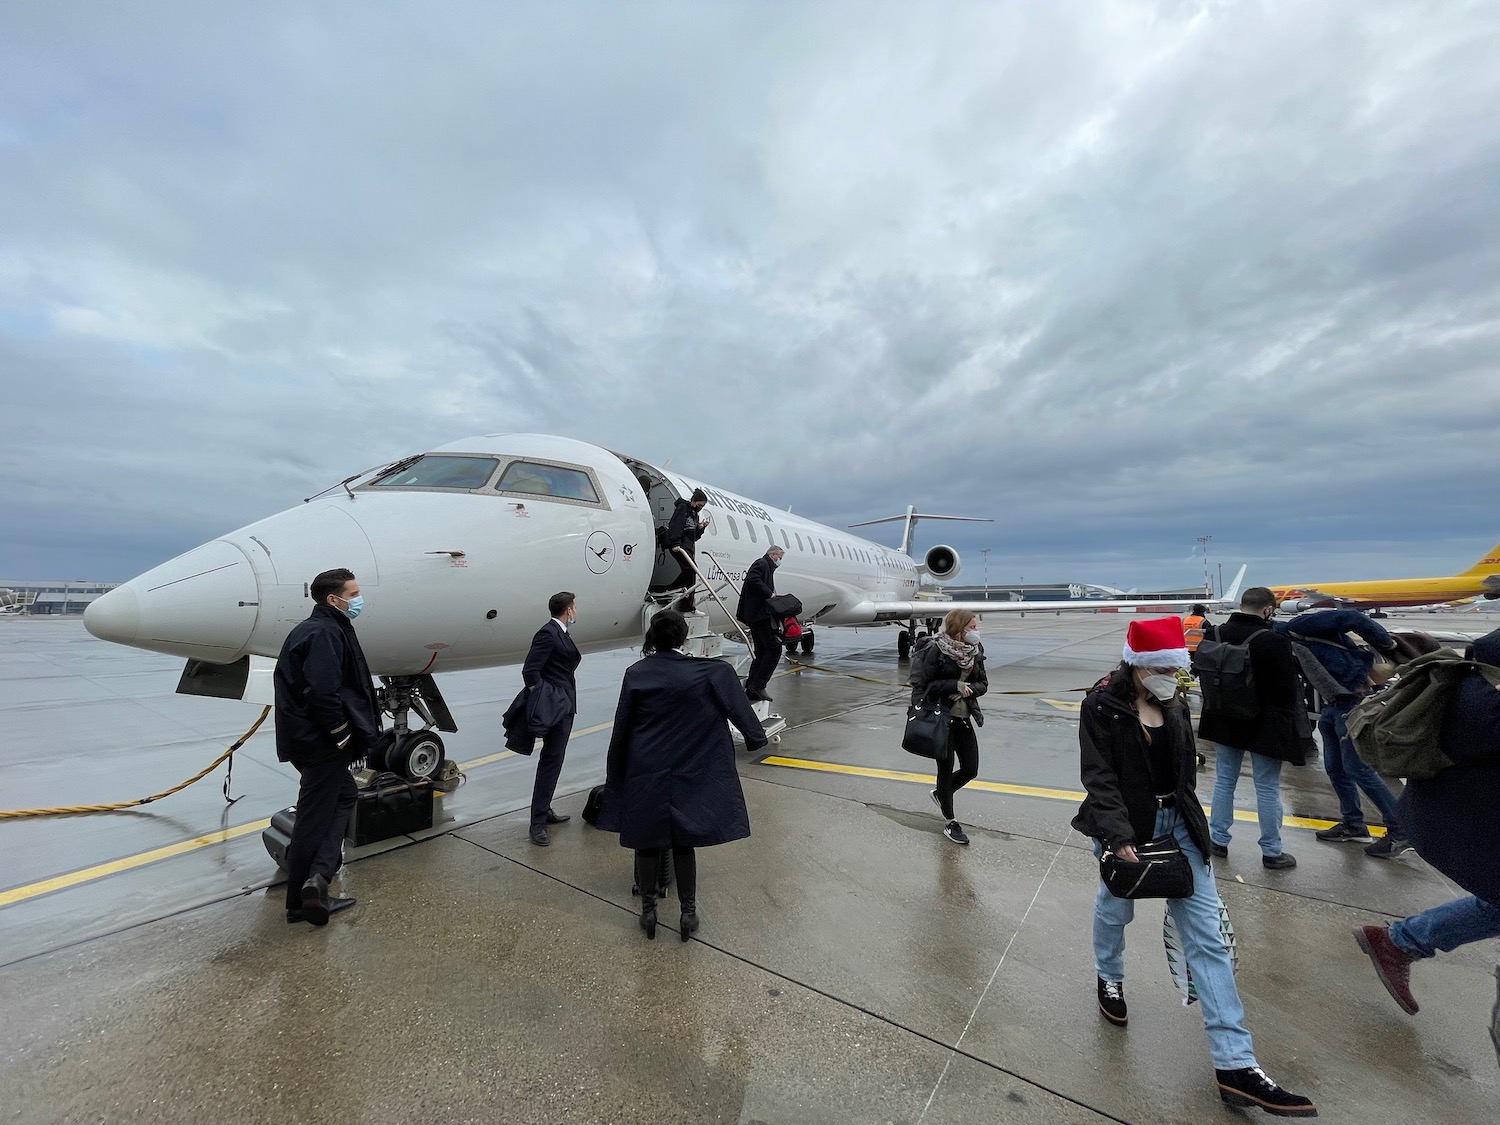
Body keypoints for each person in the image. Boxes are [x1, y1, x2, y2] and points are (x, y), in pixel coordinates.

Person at [1073, 616, 1316, 1117]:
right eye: (1160, 667)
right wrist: (1117, 836)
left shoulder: (1175, 702)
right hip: (1128, 826)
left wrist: (1198, 833)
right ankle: (1109, 974)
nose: (1171, 676)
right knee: (1115, 909)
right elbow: (1099, 775)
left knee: (1208, 939)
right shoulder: (1101, 705)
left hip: (1180, 827)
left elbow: (1184, 775)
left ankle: (1236, 1066)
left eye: (1174, 668)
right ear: (1137, 666)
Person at [1354, 627, 1500, 1016]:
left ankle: (1401, 941)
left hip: (1448, 815)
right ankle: (1401, 941)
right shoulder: (1487, 703)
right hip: (1464, 821)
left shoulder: (1475, 678)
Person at [597, 610, 768, 940]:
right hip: (688, 771)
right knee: (683, 842)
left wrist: (616, 770)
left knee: (647, 842)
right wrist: (755, 737)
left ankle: (648, 912)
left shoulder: (636, 673)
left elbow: (623, 727)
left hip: (646, 770)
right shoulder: (709, 672)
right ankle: (687, 913)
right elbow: (739, 708)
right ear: (683, 637)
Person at [273, 567, 381, 926]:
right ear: (332, 600)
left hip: (311, 741)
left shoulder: (321, 628)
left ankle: (317, 879)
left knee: (344, 798)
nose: (358, 600)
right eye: (353, 595)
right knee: (313, 818)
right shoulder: (324, 633)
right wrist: (342, 736)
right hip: (321, 743)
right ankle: (302, 900)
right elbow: (322, 692)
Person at [1277, 609, 1408, 858]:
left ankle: (1401, 829)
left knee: (1357, 768)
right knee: (1336, 767)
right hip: (1334, 702)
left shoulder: (1302, 625)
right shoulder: (1286, 640)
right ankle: (1354, 824)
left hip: (1353, 697)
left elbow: (1352, 617)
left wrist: (1386, 643)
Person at [1199, 587, 1309, 870]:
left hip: (1224, 719)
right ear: (1268, 610)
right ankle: (1272, 851)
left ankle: (1218, 841)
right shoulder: (1272, 640)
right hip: (1264, 725)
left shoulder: (1216, 634)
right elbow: (1287, 691)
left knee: (1225, 781)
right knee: (1267, 787)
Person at [908, 609, 989, 846]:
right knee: (945, 768)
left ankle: (941, 794)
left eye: (976, 627)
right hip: (941, 719)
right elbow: (924, 685)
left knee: (971, 769)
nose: (976, 631)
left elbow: (983, 683)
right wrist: (954, 685)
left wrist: (969, 689)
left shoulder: (976, 651)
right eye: (972, 627)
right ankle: (951, 821)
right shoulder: (937, 651)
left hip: (963, 717)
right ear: (959, 629)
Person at [521, 591, 582, 846]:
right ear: (568, 610)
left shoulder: (562, 633)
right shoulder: (548, 633)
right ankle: (537, 823)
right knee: (550, 761)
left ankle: (544, 809)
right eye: (574, 607)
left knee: (555, 761)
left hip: (566, 706)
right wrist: (547, 698)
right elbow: (530, 670)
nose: (576, 611)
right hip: (557, 707)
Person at [736, 544, 784, 702]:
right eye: (780, 558)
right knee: (773, 649)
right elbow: (752, 579)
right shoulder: (762, 563)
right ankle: (758, 685)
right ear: (773, 555)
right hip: (758, 615)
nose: (780, 561)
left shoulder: (767, 567)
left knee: (762, 651)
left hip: (758, 615)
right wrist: (770, 594)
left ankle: (752, 686)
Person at [665, 488, 710, 612]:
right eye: (699, 505)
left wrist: (701, 528)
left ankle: (686, 603)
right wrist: (675, 543)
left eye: (702, 506)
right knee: (691, 570)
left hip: (689, 547)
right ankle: (672, 591)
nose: (700, 508)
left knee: (691, 573)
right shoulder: (683, 508)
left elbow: (694, 536)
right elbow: (676, 525)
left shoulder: (695, 513)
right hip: (681, 546)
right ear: (694, 501)